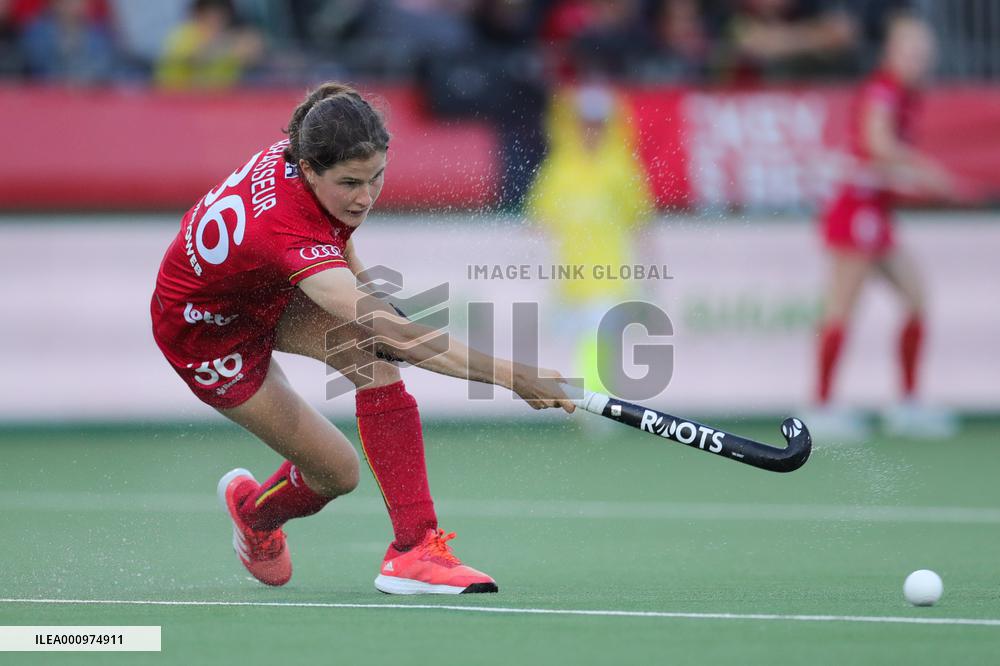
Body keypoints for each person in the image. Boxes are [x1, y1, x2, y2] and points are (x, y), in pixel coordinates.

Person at [150, 82, 575, 594]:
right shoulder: (284, 224)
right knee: (338, 473)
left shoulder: (306, 154)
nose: (365, 197)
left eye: (376, 179)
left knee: (374, 362)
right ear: (310, 170)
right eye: (350, 183)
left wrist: (371, 296)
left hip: (267, 291)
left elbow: (331, 238)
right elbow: (389, 328)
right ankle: (254, 515)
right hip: (206, 331)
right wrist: (513, 376)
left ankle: (414, 550)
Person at [812, 13, 965, 439]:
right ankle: (820, 406)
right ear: (891, 52)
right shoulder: (883, 90)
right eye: (911, 50)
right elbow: (877, 145)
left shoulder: (904, 94)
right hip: (855, 208)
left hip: (876, 211)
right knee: (842, 307)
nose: (920, 59)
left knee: (916, 297)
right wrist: (926, 170)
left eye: (924, 52)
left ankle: (908, 403)